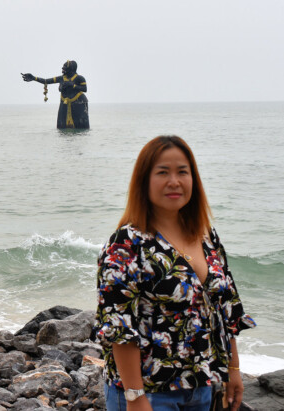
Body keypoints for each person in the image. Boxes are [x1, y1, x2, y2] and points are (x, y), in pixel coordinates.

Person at [93, 136, 256, 411]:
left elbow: (224, 307)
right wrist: (135, 397)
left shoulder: (206, 236)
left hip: (200, 388)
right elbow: (118, 326)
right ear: (144, 181)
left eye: (182, 172)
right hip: (149, 393)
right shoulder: (126, 244)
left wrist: (233, 368)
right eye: (162, 172)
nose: (174, 181)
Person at [22, 60, 89, 129]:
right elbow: (46, 81)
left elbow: (84, 89)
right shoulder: (61, 78)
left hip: (79, 103)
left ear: (71, 69)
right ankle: (64, 139)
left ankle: (81, 138)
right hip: (64, 103)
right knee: (62, 126)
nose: (62, 69)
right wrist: (34, 78)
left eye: (65, 67)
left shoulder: (79, 78)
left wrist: (73, 85)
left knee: (81, 126)